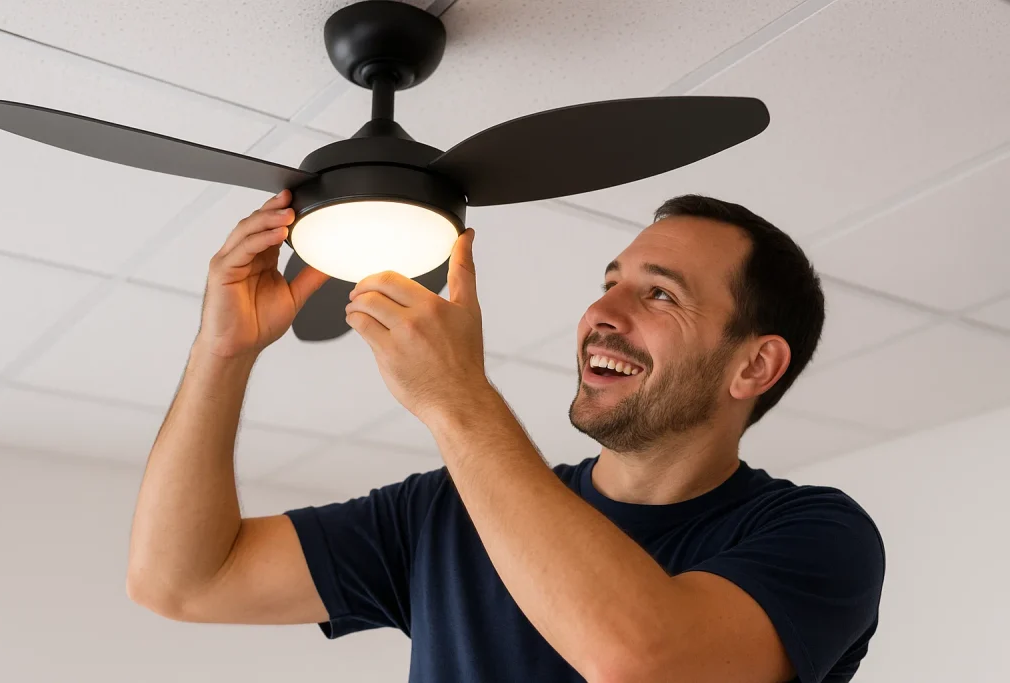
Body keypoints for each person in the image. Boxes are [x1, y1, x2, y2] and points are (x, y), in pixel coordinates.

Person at [127, 189, 885, 683]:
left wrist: (457, 399)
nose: (603, 313)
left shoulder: (816, 535)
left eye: (659, 293)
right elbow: (182, 578)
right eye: (609, 282)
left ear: (755, 364)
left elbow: (640, 659)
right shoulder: (448, 513)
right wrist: (222, 352)